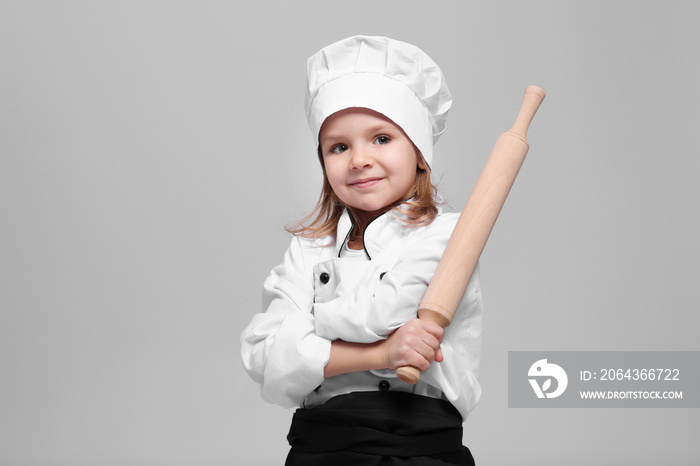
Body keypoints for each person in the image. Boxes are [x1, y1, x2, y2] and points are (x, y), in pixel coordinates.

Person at [240, 35, 483, 465]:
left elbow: (388, 310)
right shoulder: (310, 248)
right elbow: (263, 357)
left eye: (382, 139)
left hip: (423, 444)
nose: (359, 159)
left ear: (420, 152)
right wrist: (382, 354)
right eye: (339, 146)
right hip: (323, 445)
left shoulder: (450, 236)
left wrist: (310, 326)